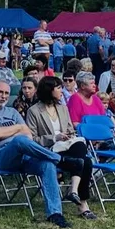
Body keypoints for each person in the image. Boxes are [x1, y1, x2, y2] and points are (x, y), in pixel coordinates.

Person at [0, 80, 70, 228]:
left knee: (47, 165)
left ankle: (55, 213)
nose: (3, 96)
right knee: (19, 140)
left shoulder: (12, 112)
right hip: (0, 157)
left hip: (23, 156)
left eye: (7, 93)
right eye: (0, 92)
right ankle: (61, 160)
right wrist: (18, 128)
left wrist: (13, 132)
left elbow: (29, 136)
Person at [25, 75, 97, 219]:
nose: (61, 90)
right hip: (49, 151)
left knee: (85, 159)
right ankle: (81, 203)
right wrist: (54, 137)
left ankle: (75, 192)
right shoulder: (34, 111)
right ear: (49, 90)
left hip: (68, 148)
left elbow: (70, 129)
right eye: (58, 88)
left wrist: (69, 135)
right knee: (85, 160)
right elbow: (31, 140)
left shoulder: (63, 108)